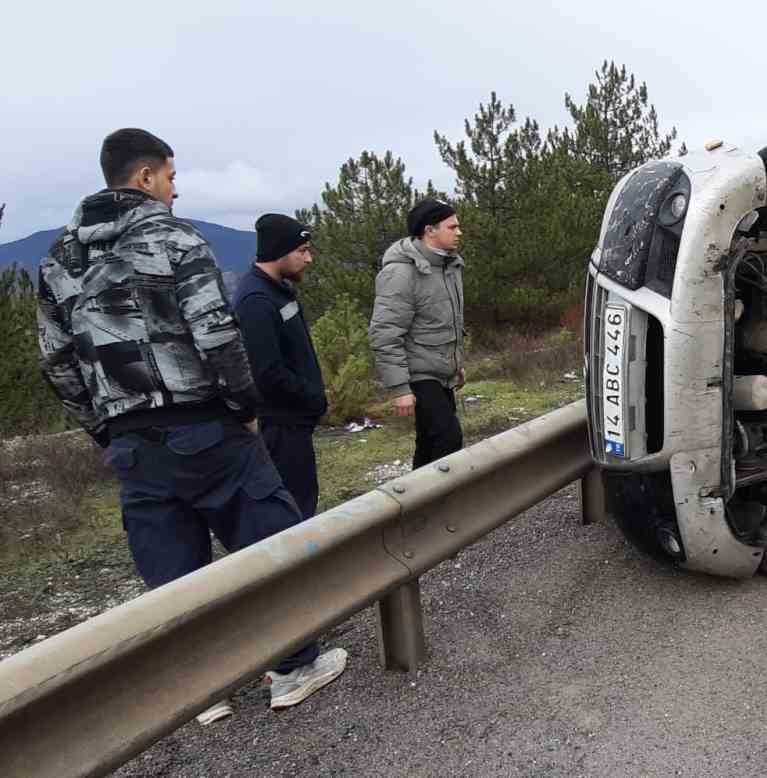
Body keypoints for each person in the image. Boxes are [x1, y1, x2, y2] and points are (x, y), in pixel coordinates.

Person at [35, 129, 346, 724]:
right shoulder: (174, 238)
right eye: (171, 178)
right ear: (146, 177)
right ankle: (293, 667)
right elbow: (213, 331)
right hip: (202, 421)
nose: (175, 191)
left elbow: (56, 360)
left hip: (130, 439)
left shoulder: (58, 259)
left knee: (170, 564)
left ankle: (202, 690)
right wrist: (241, 404)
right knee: (268, 539)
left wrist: (104, 429)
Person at [233, 214, 328, 519]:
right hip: (281, 425)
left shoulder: (278, 290)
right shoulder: (256, 300)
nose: (309, 258)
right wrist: (311, 396)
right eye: (302, 251)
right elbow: (267, 373)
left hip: (296, 421)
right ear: (279, 251)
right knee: (292, 509)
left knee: (303, 499)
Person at [369, 198, 466, 469]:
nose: (459, 232)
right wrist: (400, 388)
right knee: (448, 439)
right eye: (452, 226)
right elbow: (385, 333)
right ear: (429, 230)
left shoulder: (449, 266)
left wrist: (457, 365)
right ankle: (438, 505)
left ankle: (419, 506)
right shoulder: (400, 273)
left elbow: (448, 323)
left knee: (430, 442)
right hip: (419, 375)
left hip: (440, 372)